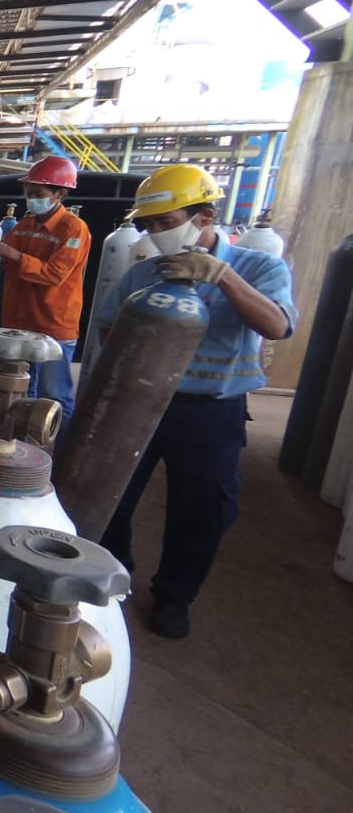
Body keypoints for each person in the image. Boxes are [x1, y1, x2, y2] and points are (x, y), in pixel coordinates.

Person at [92, 164, 295, 640]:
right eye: (149, 225)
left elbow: (277, 326)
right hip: (142, 406)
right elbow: (108, 327)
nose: (156, 234)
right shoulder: (144, 271)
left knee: (201, 509)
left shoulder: (261, 267)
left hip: (210, 411)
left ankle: (174, 596)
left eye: (167, 222)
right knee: (112, 495)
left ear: (204, 217)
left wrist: (222, 276)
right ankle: (115, 577)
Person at [0, 155, 90, 420]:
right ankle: (22, 451)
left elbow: (54, 275)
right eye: (28, 191)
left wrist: (8, 252)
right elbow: (2, 261)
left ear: (60, 193)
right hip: (19, 326)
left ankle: (63, 457)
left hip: (52, 326)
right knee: (23, 394)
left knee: (55, 396)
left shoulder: (73, 229)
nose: (31, 197)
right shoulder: (23, 227)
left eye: (38, 192)